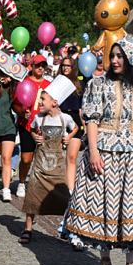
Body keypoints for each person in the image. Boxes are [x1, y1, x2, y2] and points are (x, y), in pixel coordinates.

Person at [60, 35, 133, 265]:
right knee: (104, 209)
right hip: (104, 153)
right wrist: (92, 151)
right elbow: (91, 120)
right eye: (113, 56)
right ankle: (105, 264)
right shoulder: (98, 84)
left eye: (121, 56)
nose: (115, 60)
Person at [20, 76, 78, 244]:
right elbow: (31, 129)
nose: (40, 102)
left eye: (43, 100)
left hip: (58, 166)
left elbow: (74, 128)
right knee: (32, 196)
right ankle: (28, 228)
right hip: (40, 165)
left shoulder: (65, 118)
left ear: (54, 102)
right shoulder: (39, 118)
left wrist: (68, 138)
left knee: (65, 197)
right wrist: (35, 137)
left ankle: (70, 229)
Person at [14, 55, 52, 198]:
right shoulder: (24, 83)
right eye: (37, 65)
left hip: (43, 126)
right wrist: (22, 113)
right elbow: (15, 104)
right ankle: (22, 183)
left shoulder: (49, 85)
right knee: (26, 159)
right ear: (32, 66)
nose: (40, 68)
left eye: (43, 65)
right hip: (27, 125)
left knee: (42, 158)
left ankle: (38, 184)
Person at [57, 57, 85, 190]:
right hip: (60, 118)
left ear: (73, 67)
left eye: (68, 65)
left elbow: (81, 108)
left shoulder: (79, 84)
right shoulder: (56, 82)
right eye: (63, 65)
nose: (65, 68)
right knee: (57, 157)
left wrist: (84, 124)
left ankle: (70, 189)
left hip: (74, 118)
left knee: (72, 157)